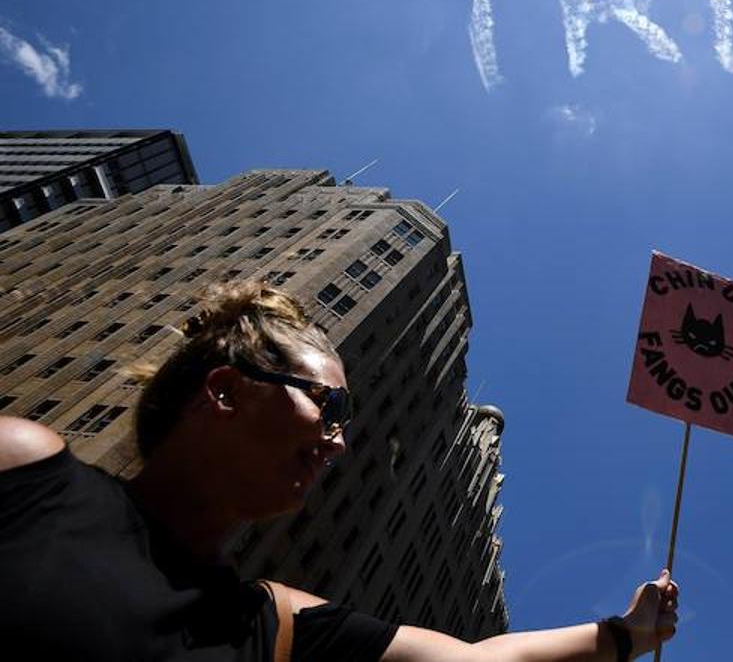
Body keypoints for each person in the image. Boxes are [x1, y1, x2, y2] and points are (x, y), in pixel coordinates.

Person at [0, 281, 678, 660]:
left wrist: (627, 633)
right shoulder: (28, 471)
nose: (338, 442)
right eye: (330, 406)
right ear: (227, 391)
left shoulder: (271, 623)